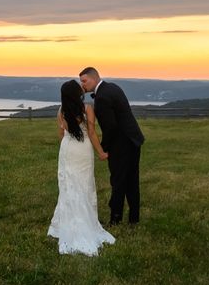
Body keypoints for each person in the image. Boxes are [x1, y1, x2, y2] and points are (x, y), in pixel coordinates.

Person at [47, 80, 115, 255]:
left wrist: (66, 148)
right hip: (83, 150)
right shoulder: (87, 109)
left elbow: (61, 134)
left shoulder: (61, 111)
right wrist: (101, 152)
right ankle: (85, 224)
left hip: (68, 149)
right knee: (84, 185)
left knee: (68, 185)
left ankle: (66, 224)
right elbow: (91, 133)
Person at [80, 67, 145, 225]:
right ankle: (134, 219)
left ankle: (115, 219)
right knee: (132, 180)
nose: (82, 85)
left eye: (84, 80)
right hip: (134, 140)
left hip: (121, 144)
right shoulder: (113, 87)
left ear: (94, 78)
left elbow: (110, 127)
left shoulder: (102, 97)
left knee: (118, 181)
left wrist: (103, 149)